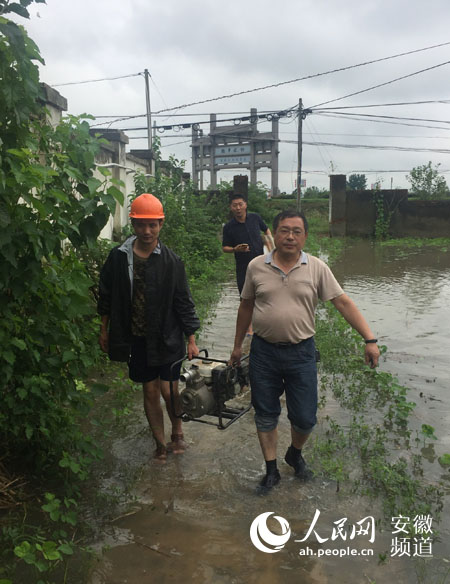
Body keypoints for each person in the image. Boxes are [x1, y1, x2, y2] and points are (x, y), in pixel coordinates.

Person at [229, 209, 380, 494]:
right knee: (265, 413)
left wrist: (369, 339)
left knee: (305, 418)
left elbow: (343, 302)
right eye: (284, 230)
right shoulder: (256, 266)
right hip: (263, 353)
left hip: (301, 353)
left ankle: (294, 454)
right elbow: (246, 306)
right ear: (273, 234)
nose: (290, 236)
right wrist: (237, 347)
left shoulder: (317, 268)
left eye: (297, 231)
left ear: (305, 237)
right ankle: (271, 470)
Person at [98, 193, 200, 462]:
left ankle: (177, 432)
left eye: (152, 224)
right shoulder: (118, 258)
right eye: (141, 224)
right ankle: (160, 443)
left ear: (160, 224)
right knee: (150, 389)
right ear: (133, 224)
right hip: (137, 337)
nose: (147, 231)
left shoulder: (171, 261)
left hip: (167, 335)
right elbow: (106, 295)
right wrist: (104, 328)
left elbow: (183, 301)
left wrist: (191, 338)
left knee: (169, 389)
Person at [222, 194, 274, 296]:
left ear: (245, 205)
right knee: (245, 296)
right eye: (235, 205)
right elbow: (225, 248)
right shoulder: (229, 227)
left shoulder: (255, 218)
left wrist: (269, 242)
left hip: (262, 263)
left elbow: (266, 229)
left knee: (264, 294)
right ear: (231, 207)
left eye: (240, 204)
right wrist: (235, 249)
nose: (238, 208)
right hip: (243, 267)